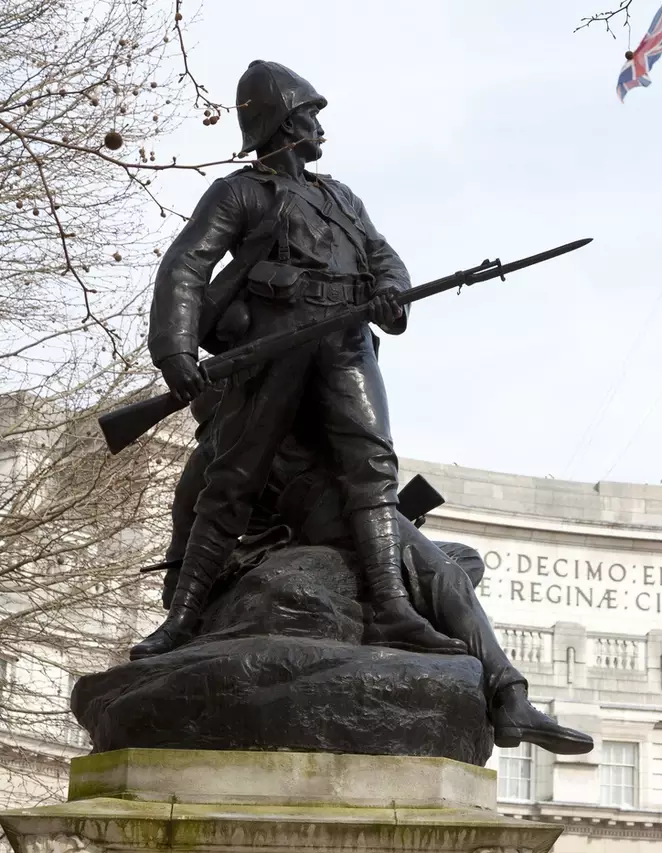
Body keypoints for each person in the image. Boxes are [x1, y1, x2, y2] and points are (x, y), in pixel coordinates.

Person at [133, 60, 442, 659]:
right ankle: (182, 618)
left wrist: (390, 292)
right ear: (282, 121)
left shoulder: (341, 198)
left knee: (372, 467)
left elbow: (384, 257)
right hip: (273, 341)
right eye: (309, 115)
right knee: (234, 476)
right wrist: (174, 349)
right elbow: (187, 265)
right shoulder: (240, 191)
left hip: (346, 340)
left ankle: (392, 609)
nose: (320, 127)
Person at [156, 387, 593, 755]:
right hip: (311, 536)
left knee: (464, 558)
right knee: (447, 574)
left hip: (331, 530)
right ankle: (510, 696)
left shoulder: (266, 435)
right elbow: (183, 557)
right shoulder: (237, 451)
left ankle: (402, 622)